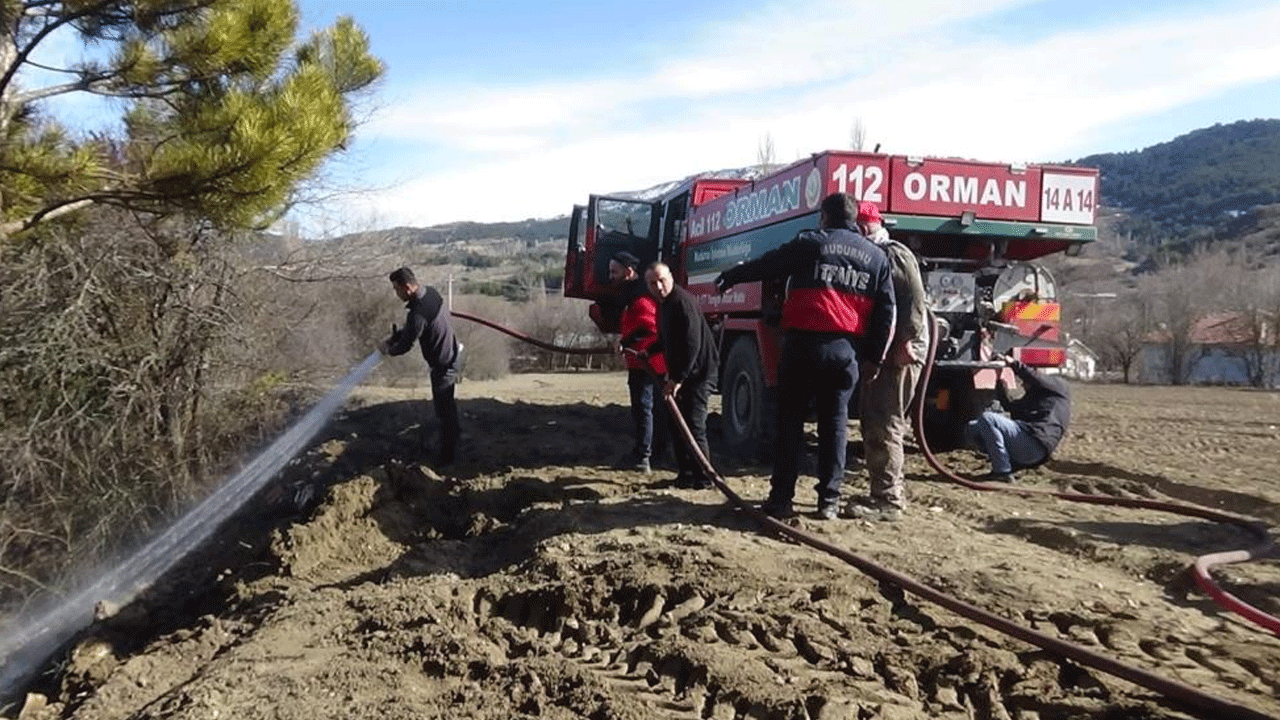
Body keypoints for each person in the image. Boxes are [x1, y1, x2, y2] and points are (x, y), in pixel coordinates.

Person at [715, 193, 896, 520]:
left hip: (802, 346)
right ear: (854, 219)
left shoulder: (810, 242)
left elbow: (769, 263)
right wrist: (874, 359)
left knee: (791, 423)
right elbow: (886, 313)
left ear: (825, 217)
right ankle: (828, 501)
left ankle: (781, 499)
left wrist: (733, 276)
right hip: (845, 351)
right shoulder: (876, 257)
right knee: (835, 425)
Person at [850, 201, 930, 522]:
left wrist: (906, 340)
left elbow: (912, 300)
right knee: (874, 420)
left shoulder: (892, 255)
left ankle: (888, 500)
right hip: (886, 350)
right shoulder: (879, 255)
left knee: (885, 422)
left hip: (899, 352)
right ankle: (884, 490)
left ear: (864, 228)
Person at [641, 262, 717, 489]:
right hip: (681, 373)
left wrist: (678, 379)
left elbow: (691, 344)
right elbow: (667, 339)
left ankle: (704, 479)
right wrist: (650, 350)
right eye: (653, 283)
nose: (659, 286)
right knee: (676, 423)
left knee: (693, 425)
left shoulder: (682, 302)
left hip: (699, 373)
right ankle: (685, 474)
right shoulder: (664, 305)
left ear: (671, 278)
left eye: (662, 280)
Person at [379, 266, 465, 467]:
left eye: (396, 289)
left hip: (444, 366)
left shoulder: (418, 313)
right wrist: (395, 337)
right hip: (455, 353)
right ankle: (453, 437)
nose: (396, 293)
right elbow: (414, 330)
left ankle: (448, 457)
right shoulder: (431, 293)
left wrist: (388, 350)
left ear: (407, 287)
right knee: (447, 407)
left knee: (444, 410)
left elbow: (406, 345)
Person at [965, 353, 1071, 482]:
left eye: (1024, 382)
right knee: (973, 427)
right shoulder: (1035, 397)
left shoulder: (1059, 387)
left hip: (1035, 442)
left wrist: (1014, 364)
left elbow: (1033, 377)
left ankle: (1002, 471)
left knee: (989, 418)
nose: (1022, 385)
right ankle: (1006, 463)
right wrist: (999, 381)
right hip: (1029, 446)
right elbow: (1010, 406)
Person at [609, 251, 668, 473]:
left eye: (614, 272)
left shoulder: (639, 298)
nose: (610, 276)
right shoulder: (634, 295)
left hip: (646, 364)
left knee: (644, 409)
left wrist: (626, 342)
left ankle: (643, 457)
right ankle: (652, 453)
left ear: (629, 272)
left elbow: (649, 327)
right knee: (652, 410)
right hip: (644, 363)